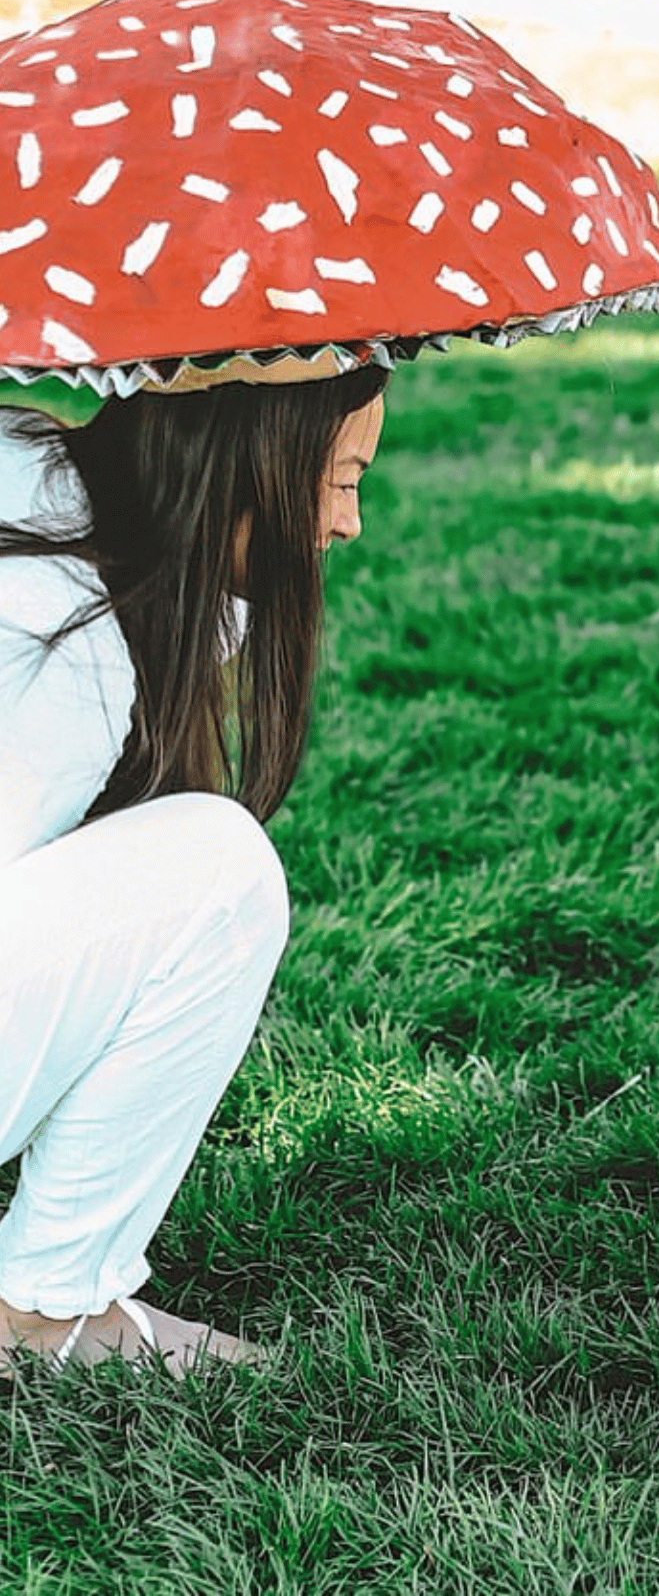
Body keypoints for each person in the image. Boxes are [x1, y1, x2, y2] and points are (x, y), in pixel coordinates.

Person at [0, 362, 388, 1375]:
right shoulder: (59, 635)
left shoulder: (30, 465)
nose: (349, 525)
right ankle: (42, 1312)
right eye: (343, 479)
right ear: (249, 464)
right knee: (216, 873)